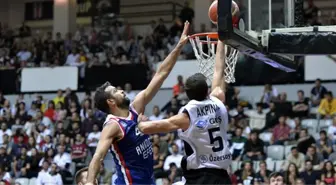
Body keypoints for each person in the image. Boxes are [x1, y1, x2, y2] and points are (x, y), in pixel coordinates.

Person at [85, 22, 190, 185]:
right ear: (111, 101)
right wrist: (90, 182)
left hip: (148, 180)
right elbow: (98, 156)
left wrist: (179, 46)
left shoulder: (135, 107)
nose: (121, 90)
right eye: (116, 91)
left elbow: (160, 74)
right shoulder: (113, 126)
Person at [138, 40, 232, 185]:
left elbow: (152, 127)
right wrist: (221, 40)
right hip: (222, 175)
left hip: (200, 176)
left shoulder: (187, 116)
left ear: (186, 94)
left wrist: (139, 121)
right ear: (207, 90)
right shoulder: (218, 99)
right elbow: (219, 69)